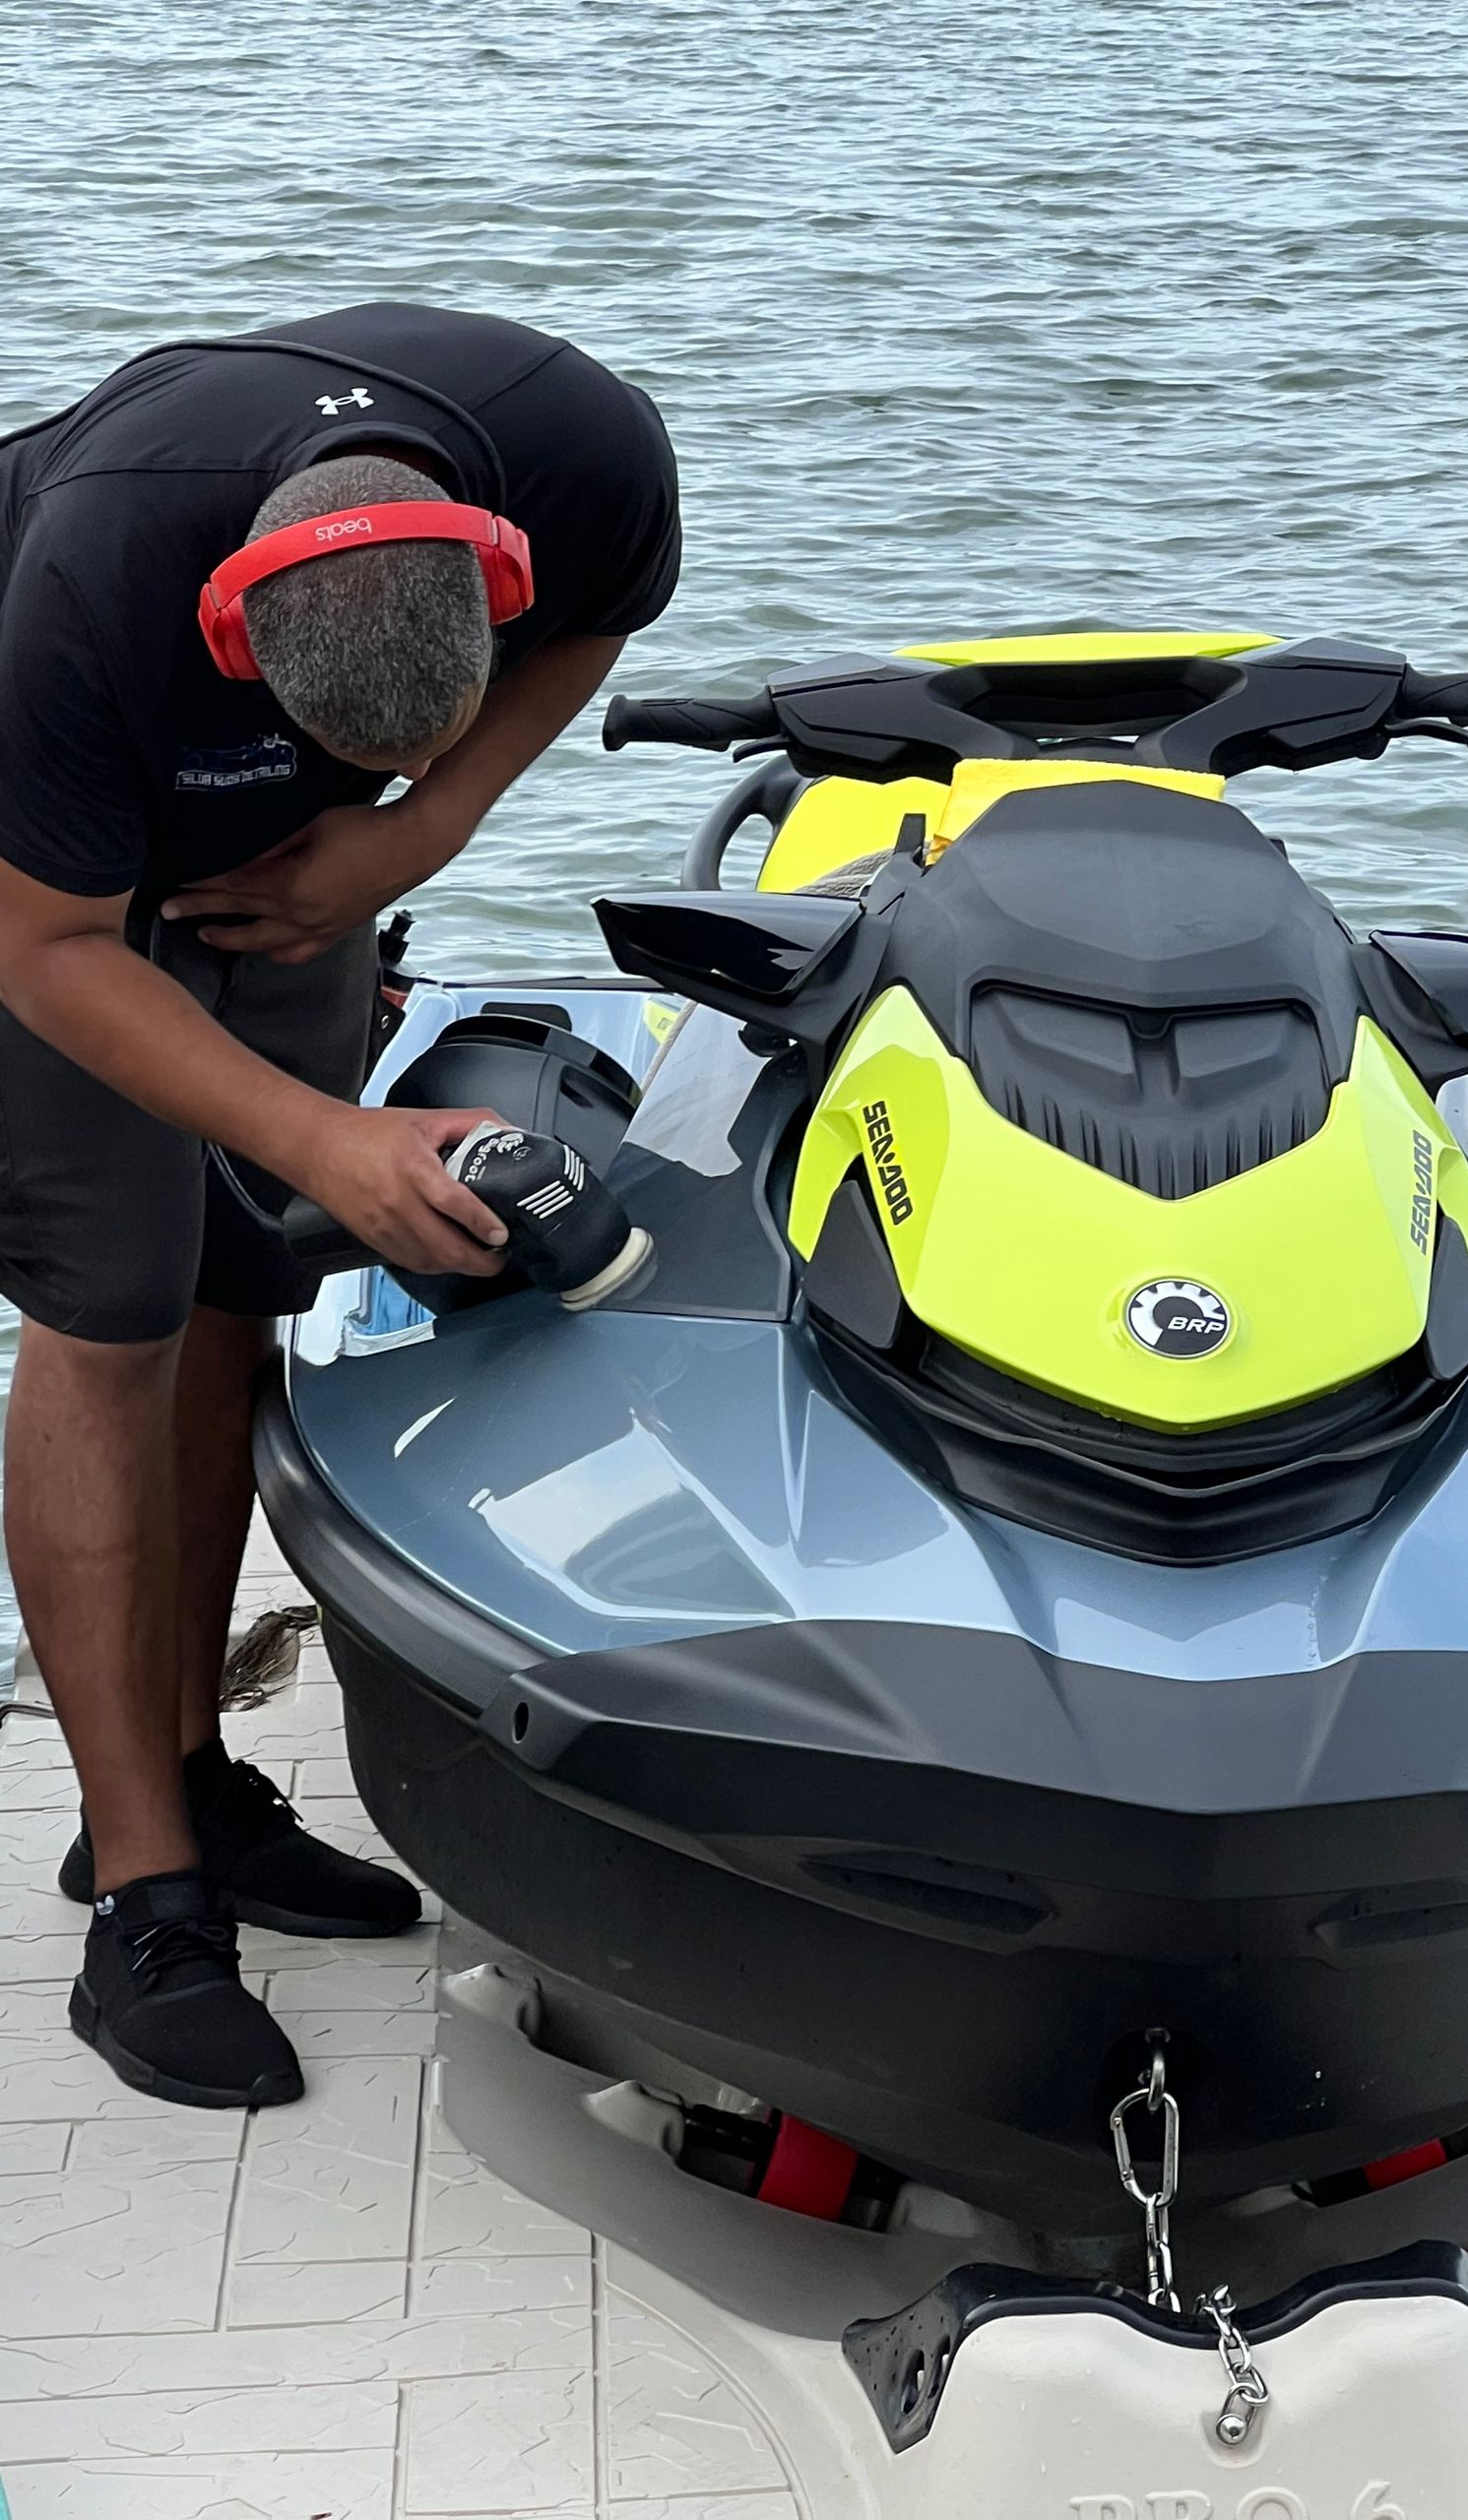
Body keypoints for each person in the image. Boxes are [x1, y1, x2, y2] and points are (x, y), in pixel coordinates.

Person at [0, 304, 679, 2109]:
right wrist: (323, 1136)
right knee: (111, 1306)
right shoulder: (87, 585)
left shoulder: (581, 445)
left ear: (493, 561)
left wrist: (407, 831)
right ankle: (142, 1895)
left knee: (242, 1281)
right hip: (43, 867)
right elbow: (49, 949)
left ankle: (193, 1779)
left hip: (289, 858)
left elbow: (610, 611)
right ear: (232, 629)